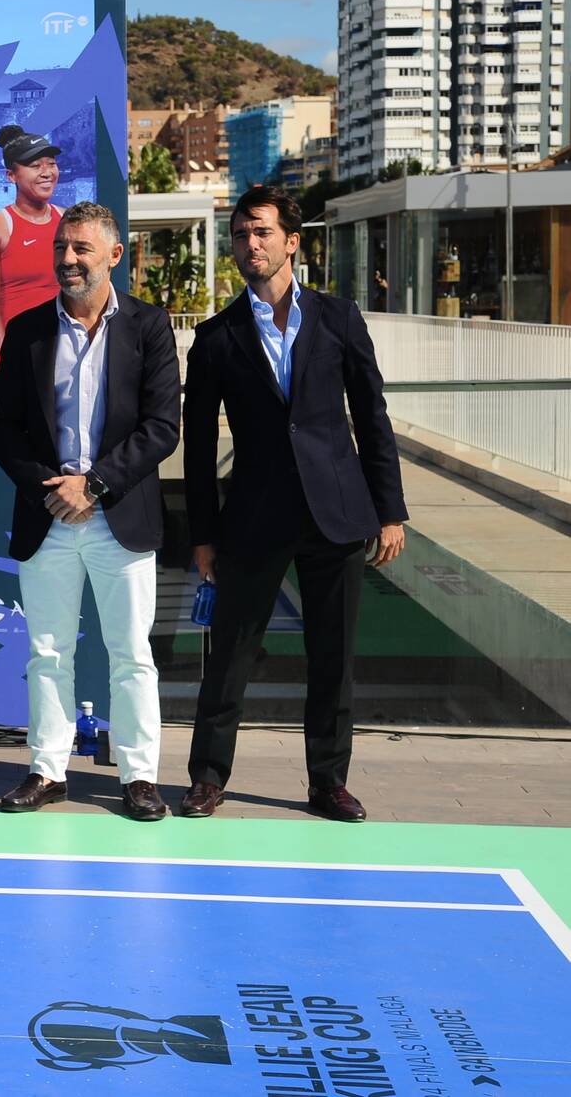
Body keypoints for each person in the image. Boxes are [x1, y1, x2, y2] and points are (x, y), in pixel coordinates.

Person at [182, 185, 408, 822]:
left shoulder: (340, 319)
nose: (249, 244)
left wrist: (390, 510)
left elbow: (372, 417)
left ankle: (328, 783)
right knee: (229, 653)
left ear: (291, 240)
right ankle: (206, 777)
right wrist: (203, 535)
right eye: (240, 234)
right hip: (252, 520)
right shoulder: (215, 338)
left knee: (333, 658)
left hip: (336, 513)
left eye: (260, 232)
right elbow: (196, 449)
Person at [0, 202, 181, 820]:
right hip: (48, 516)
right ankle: (47, 769)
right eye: (61, 248)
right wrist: (52, 486)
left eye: (82, 250)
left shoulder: (150, 328)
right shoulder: (28, 331)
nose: (68, 260)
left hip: (118, 516)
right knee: (46, 651)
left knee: (130, 654)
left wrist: (92, 485)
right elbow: (4, 429)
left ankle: (139, 776)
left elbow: (161, 428)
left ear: (114, 256)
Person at [0, 124, 64, 370]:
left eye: (51, 163)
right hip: (21, 354)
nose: (46, 172)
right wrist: (10, 362)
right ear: (11, 176)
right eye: (35, 166)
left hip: (67, 354)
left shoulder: (67, 222)